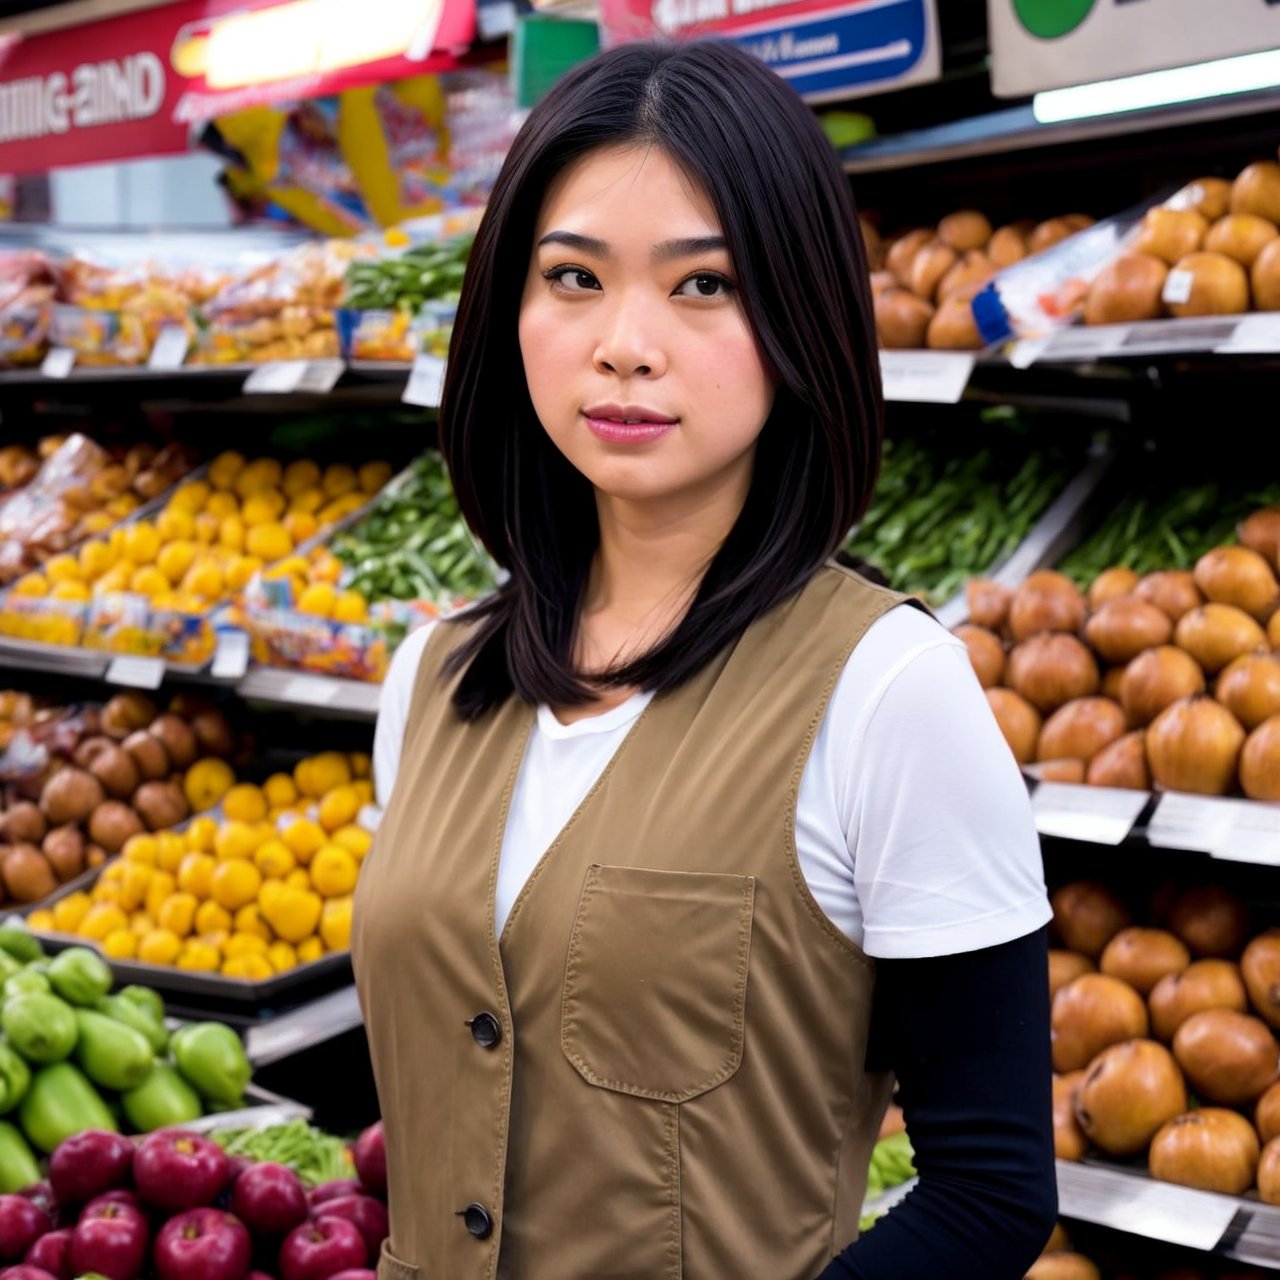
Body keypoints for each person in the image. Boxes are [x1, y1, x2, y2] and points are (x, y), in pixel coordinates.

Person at [353, 37, 1057, 1280]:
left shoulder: (886, 690)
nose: (625, 343)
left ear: (799, 317)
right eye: (572, 277)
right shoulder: (432, 679)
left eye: (703, 285)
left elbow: (989, 1190)